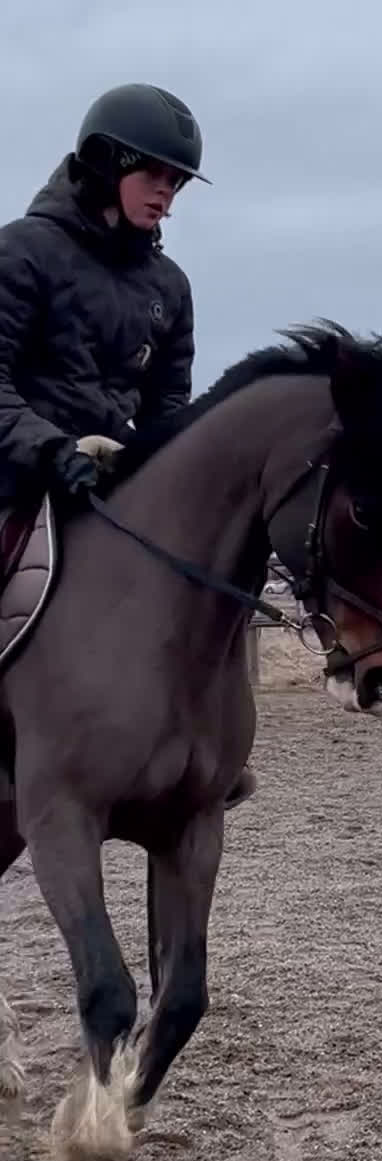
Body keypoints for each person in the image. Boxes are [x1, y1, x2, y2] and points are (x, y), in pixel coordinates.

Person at [0, 82, 256, 809]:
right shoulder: (22, 254)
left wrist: (157, 468)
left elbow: (169, 408)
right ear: (106, 163)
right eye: (156, 176)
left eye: (177, 183)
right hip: (17, 474)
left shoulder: (168, 287)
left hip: (109, 487)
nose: (167, 196)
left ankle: (206, 744)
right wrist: (51, 448)